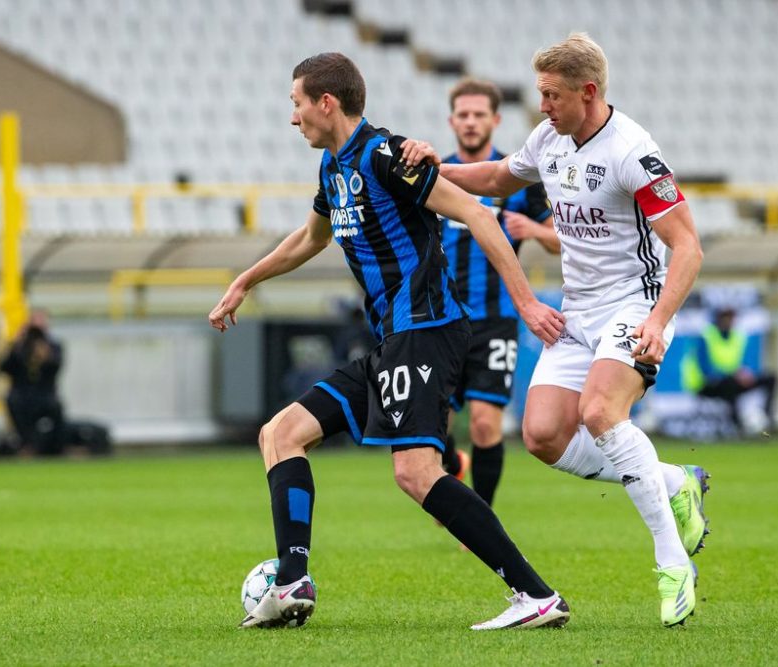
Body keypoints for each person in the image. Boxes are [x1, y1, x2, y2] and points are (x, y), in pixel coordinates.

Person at [210, 52, 570, 631]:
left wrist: (527, 302)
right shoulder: (333, 169)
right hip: (392, 340)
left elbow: (478, 216)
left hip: (426, 328)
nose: (292, 117)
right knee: (280, 434)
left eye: (296, 103)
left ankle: (536, 596)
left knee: (415, 473)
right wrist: (245, 280)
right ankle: (292, 581)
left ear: (326, 103)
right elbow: (309, 239)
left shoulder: (386, 157)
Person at [401, 33, 709, 627]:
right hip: (577, 311)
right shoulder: (549, 138)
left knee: (600, 412)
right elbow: (497, 178)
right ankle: (674, 479)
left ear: (587, 92)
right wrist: (436, 167)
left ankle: (673, 562)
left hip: (631, 305)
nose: (541, 105)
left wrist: (657, 319)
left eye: (551, 95)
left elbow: (687, 246)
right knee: (541, 435)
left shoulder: (633, 152)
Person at [436, 78, 560, 510]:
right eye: (463, 115)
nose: (470, 123)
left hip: (497, 316)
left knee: (487, 424)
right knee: (433, 428)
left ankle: (479, 517)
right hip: (441, 318)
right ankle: (453, 464)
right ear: (452, 121)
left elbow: (568, 238)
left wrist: (537, 231)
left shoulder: (518, 179)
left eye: (478, 115)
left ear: (495, 119)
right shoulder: (437, 177)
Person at [683, 306, 777, 434]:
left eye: (731, 318)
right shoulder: (706, 336)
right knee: (730, 384)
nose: (729, 321)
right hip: (706, 385)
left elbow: (742, 363)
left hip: (731, 380)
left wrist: (745, 374)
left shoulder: (737, 337)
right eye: (725, 318)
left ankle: (767, 419)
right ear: (718, 319)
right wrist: (733, 374)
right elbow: (706, 369)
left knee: (771, 378)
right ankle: (738, 426)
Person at [0, 309, 65, 456]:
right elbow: (3, 368)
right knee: (13, 401)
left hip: (45, 394)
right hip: (22, 394)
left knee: (57, 408)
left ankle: (58, 447)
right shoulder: (19, 346)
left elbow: (56, 368)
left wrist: (45, 357)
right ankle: (26, 445)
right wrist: (16, 346)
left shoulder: (53, 346)